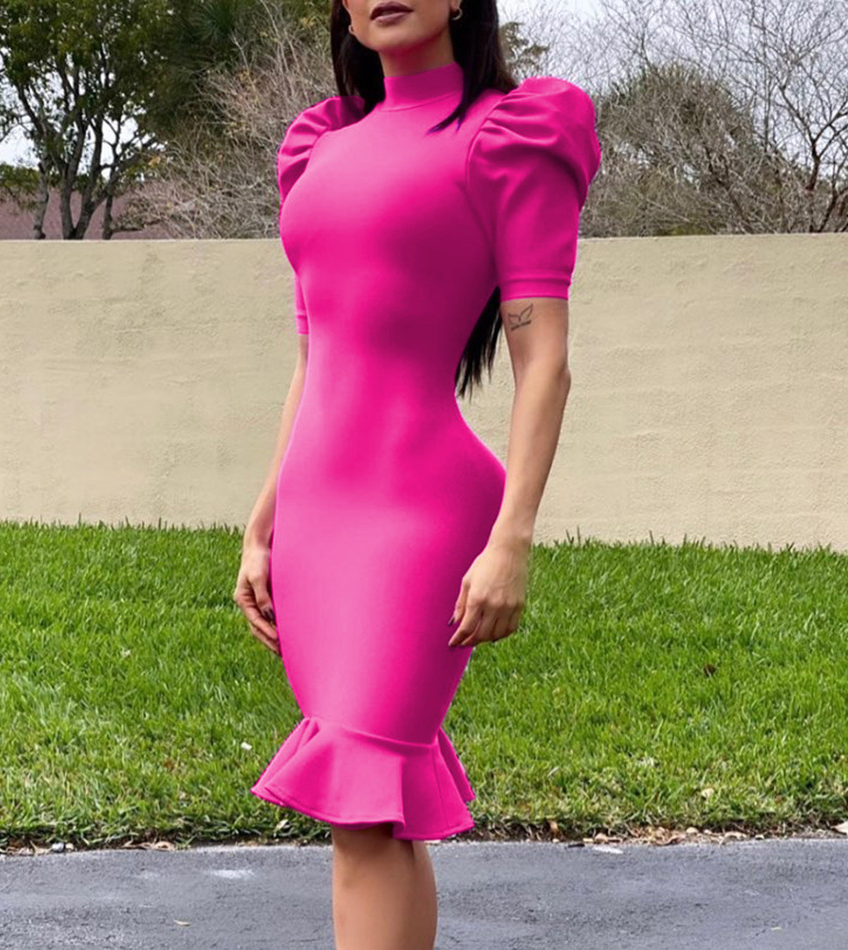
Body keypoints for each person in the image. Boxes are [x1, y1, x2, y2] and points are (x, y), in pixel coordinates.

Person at [234, 1, 601, 947]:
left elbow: (544, 362)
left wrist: (512, 538)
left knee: (365, 793)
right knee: (370, 811)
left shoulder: (507, 138)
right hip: (317, 516)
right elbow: (315, 361)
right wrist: (263, 524)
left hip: (422, 514)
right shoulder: (319, 148)